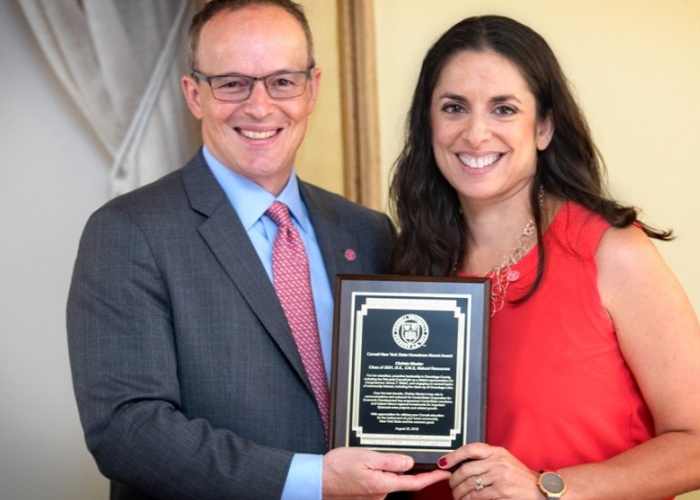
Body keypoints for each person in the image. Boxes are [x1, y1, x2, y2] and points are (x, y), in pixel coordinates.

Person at [66, 1, 448, 498]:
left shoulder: (367, 231)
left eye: (282, 81)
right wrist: (314, 482)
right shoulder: (128, 231)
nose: (260, 107)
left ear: (312, 89)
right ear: (194, 94)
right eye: (232, 83)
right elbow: (127, 431)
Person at [389, 15, 700, 499]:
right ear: (428, 124)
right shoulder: (409, 264)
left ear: (544, 126)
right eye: (454, 108)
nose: (476, 133)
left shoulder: (611, 252)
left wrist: (545, 488)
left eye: (504, 109)